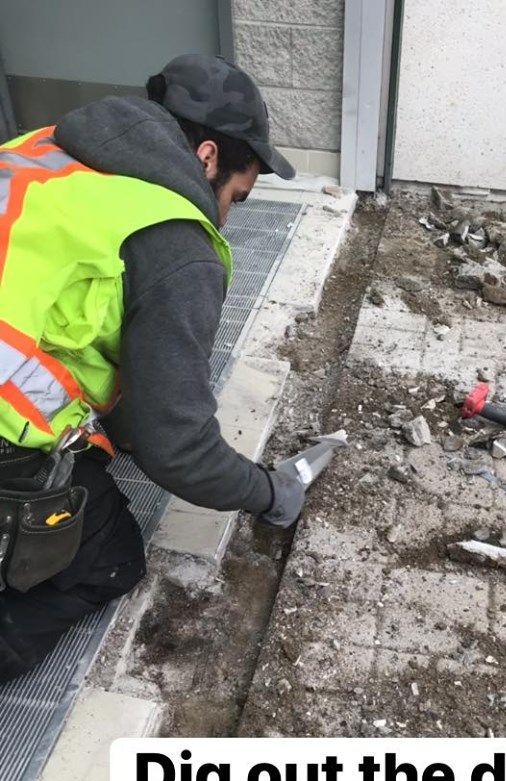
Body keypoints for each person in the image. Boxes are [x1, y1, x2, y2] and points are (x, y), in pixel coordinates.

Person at [0, 53, 305, 682]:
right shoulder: (171, 244)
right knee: (108, 560)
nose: (224, 218)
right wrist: (268, 492)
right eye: (236, 199)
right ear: (209, 158)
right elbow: (178, 452)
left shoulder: (43, 147)